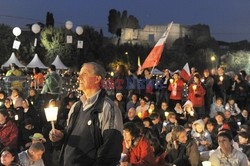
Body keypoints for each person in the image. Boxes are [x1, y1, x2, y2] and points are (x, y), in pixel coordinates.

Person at [49, 62, 123, 166]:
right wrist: (60, 137)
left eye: (85, 73)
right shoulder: (76, 107)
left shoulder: (107, 108)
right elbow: (70, 136)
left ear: (97, 79)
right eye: (80, 73)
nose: (79, 77)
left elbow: (110, 149)